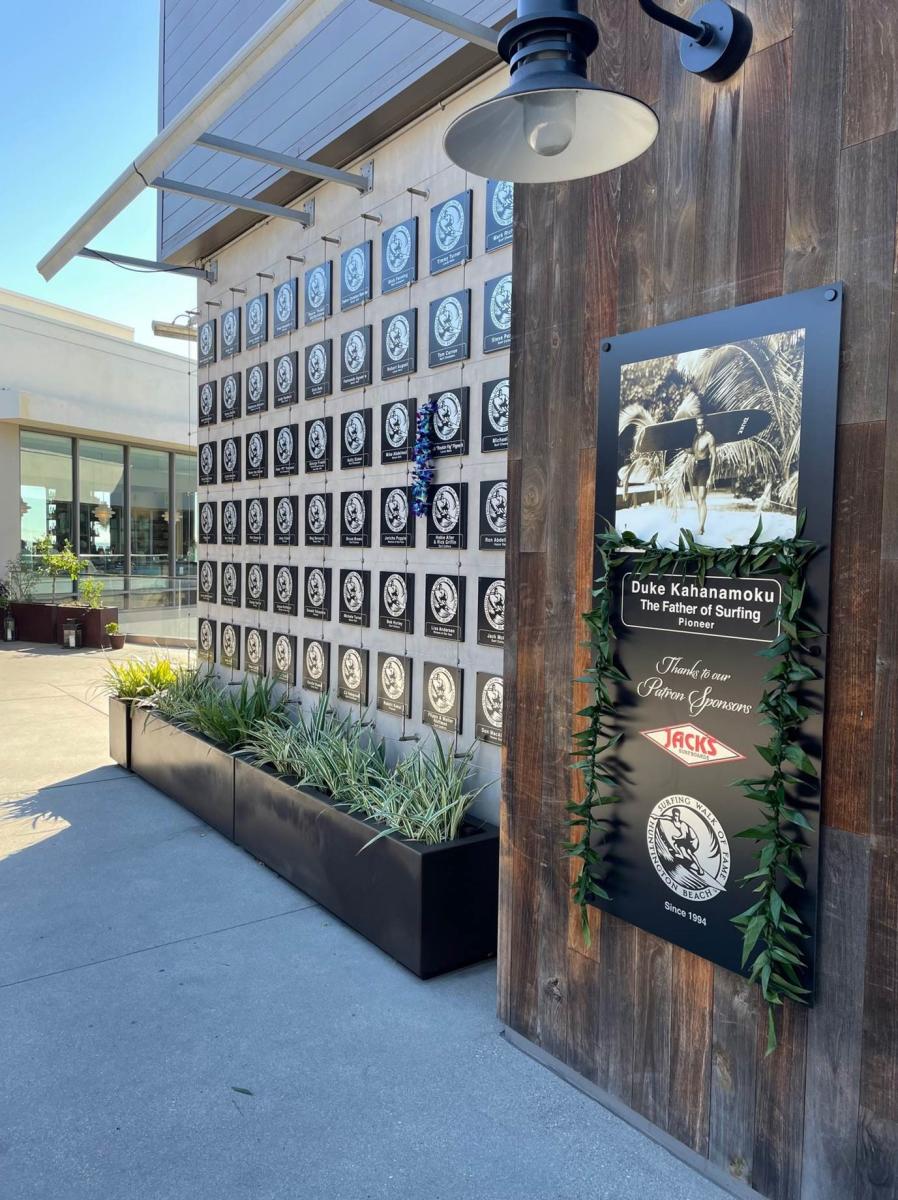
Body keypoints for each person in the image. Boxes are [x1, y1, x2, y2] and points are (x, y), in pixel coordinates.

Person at [690, 415, 717, 536]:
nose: (699, 427)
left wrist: (711, 476)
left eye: (701, 424)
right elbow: (694, 452)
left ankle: (701, 527)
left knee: (702, 498)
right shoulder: (696, 436)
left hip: (704, 468)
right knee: (697, 500)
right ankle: (700, 524)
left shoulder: (709, 437)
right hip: (695, 467)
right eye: (698, 424)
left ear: (705, 424)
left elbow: (714, 457)